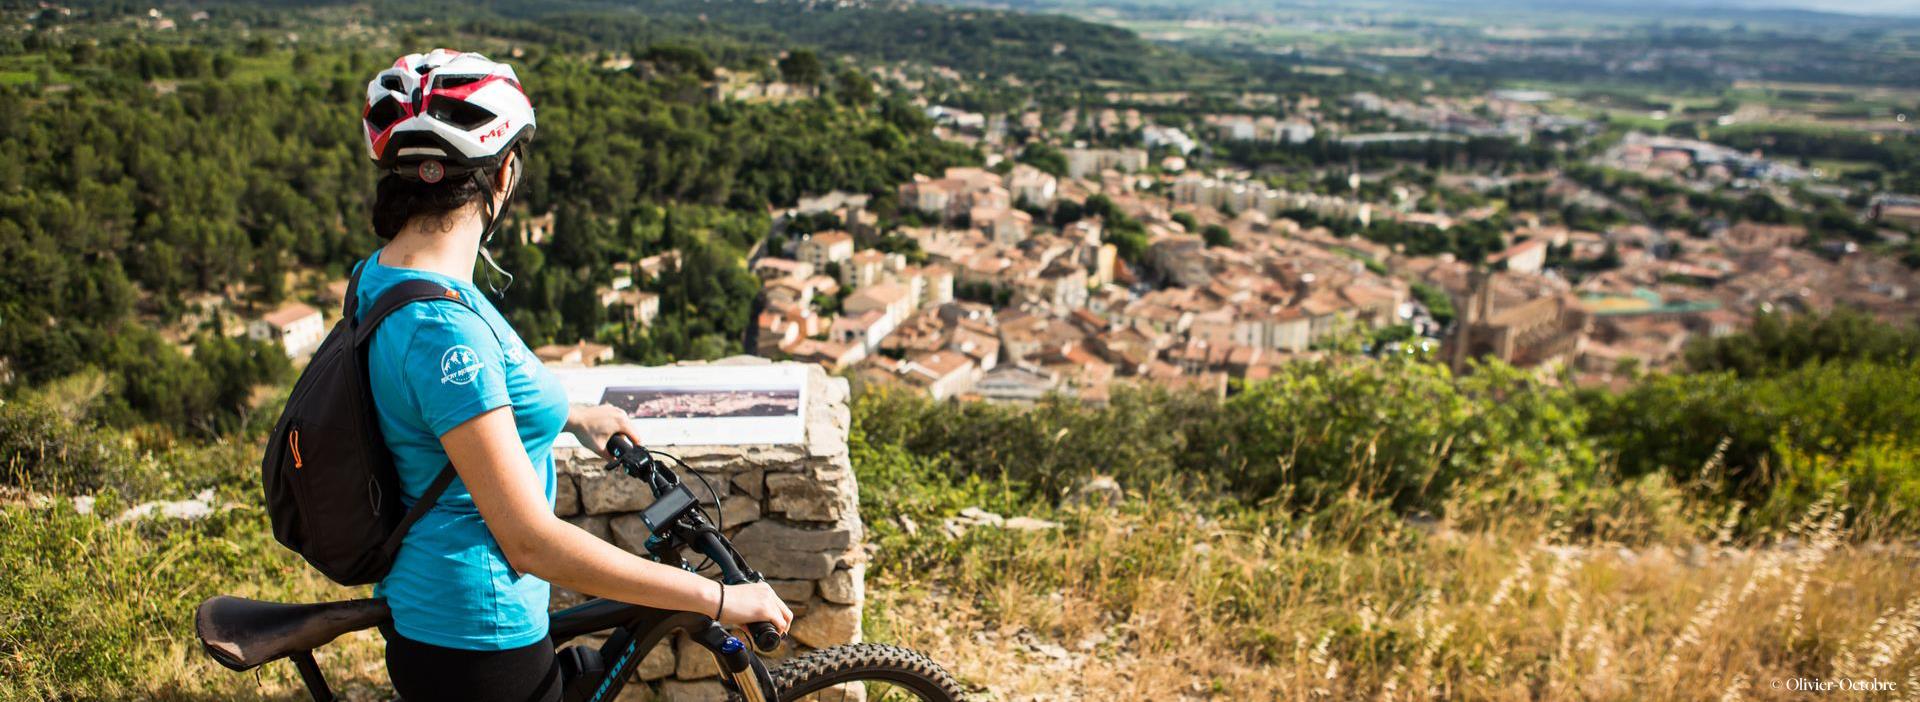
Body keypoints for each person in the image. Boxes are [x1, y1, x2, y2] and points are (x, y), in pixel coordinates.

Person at [354, 49, 791, 702]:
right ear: (503, 173)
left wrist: (574, 415)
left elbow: (463, 397)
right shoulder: (445, 333)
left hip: (434, 614)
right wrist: (716, 596)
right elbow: (530, 543)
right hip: (478, 636)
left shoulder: (387, 276)